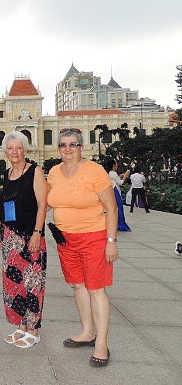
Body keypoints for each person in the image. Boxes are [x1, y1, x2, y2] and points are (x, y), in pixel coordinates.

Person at [47, 128, 118, 367]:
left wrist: (111, 241)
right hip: (66, 239)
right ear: (59, 148)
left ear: (81, 147)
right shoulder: (54, 172)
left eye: (73, 145)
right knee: (78, 286)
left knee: (96, 289)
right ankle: (88, 332)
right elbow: (45, 202)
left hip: (94, 237)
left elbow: (111, 208)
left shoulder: (94, 171)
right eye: (64, 145)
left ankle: (102, 343)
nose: (68, 149)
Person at [0, 131, 48, 348]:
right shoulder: (7, 173)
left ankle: (33, 329)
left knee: (33, 283)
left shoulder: (35, 171)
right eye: (10, 148)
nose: (14, 152)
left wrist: (37, 232)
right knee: (14, 283)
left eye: (18, 148)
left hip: (30, 236)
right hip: (10, 236)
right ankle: (21, 325)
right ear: (5, 152)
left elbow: (43, 204)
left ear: (25, 150)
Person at [105, 160, 131, 231]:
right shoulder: (113, 173)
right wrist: (125, 176)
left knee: (114, 208)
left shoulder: (109, 173)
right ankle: (121, 224)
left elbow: (115, 179)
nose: (117, 165)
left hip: (111, 192)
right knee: (119, 208)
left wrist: (121, 175)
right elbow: (120, 182)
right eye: (116, 164)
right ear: (113, 165)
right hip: (115, 191)